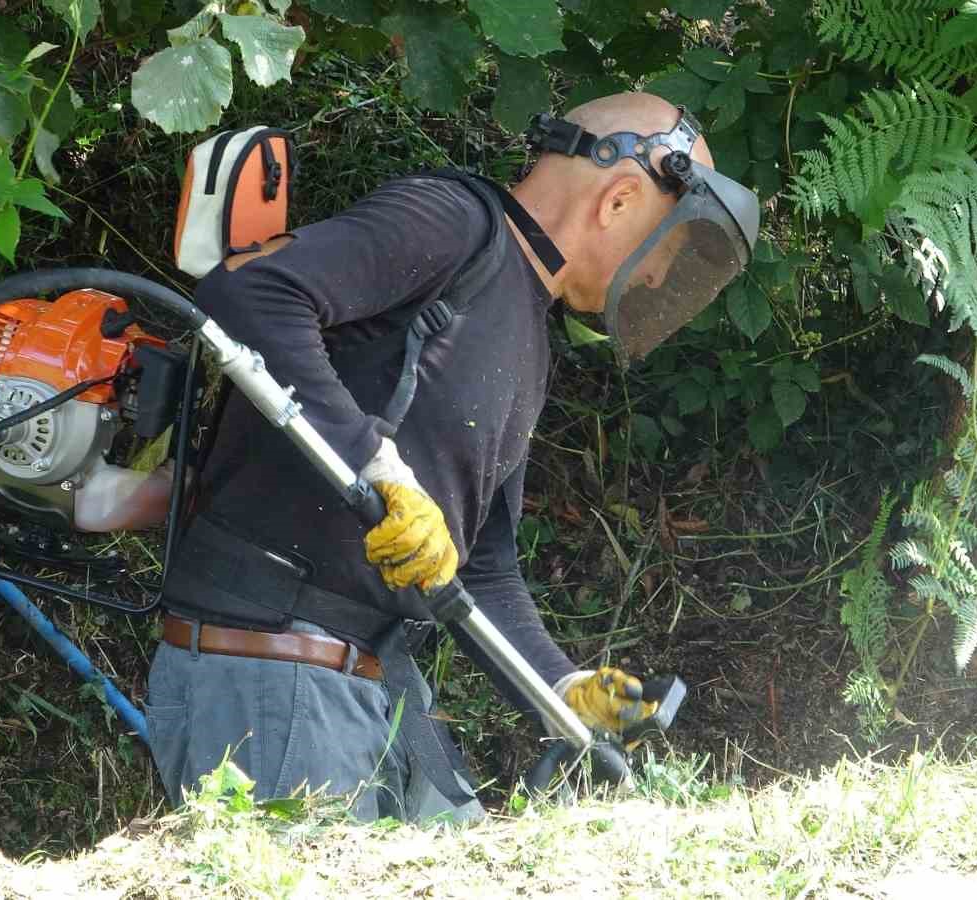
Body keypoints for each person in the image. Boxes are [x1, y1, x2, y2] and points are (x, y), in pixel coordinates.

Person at [144, 91, 759, 822]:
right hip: (271, 671)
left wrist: (563, 690)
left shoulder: (530, 331)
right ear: (620, 199)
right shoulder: (454, 223)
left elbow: (479, 566)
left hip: (373, 684)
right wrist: (379, 465)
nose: (657, 280)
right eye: (666, 252)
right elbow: (251, 294)